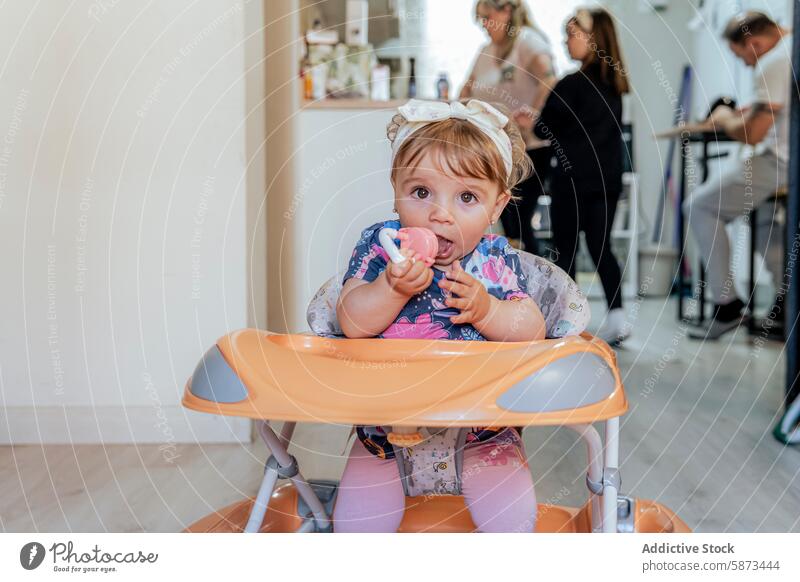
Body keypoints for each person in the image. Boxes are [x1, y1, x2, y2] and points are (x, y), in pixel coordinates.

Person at [333, 98, 545, 532]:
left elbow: (533, 329)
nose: (439, 214)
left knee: (513, 520)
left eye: (467, 197)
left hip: (482, 428)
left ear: (497, 208)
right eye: (421, 192)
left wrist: (487, 310)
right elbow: (349, 322)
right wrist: (389, 289)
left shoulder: (492, 258)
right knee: (356, 526)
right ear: (396, 191)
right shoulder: (381, 246)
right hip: (386, 428)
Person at [521, 8, 630, 344]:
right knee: (601, 247)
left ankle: (566, 318)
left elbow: (542, 126)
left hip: (571, 180)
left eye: (571, 33)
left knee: (564, 250)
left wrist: (532, 119)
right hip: (606, 180)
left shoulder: (570, 84)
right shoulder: (615, 86)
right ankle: (618, 316)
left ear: (592, 37)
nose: (566, 41)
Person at [684, 11, 791, 340]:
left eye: (741, 55)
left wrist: (726, 117)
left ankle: (726, 305)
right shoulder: (791, 47)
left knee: (700, 206)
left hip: (780, 160)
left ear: (754, 43)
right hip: (786, 157)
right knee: (763, 222)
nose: (745, 64)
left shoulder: (772, 62)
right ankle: (786, 307)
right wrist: (752, 109)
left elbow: (754, 134)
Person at [460, 0, 556, 254]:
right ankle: (513, 281)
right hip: (498, 149)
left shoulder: (527, 41)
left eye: (487, 16)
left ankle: (533, 283)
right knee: (508, 221)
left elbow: (549, 77)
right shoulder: (486, 51)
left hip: (529, 149)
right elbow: (466, 90)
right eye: (479, 18)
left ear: (506, 11)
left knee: (521, 220)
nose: (483, 24)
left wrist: (534, 115)